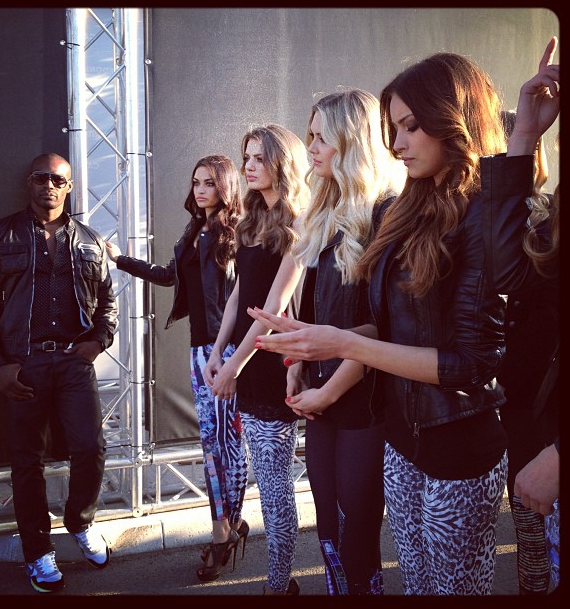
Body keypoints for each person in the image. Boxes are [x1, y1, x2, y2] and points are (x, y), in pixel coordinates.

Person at [248, 47, 548, 595]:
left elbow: (470, 365)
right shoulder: (401, 209)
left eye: (411, 126)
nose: (398, 143)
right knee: (413, 585)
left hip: (458, 449)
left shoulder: (481, 214)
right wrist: (318, 344)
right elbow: (386, 329)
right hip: (400, 443)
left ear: (453, 122)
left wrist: (343, 345)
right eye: (393, 128)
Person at [0, 153, 118, 593]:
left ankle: (80, 522)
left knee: (90, 447)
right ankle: (37, 551)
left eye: (58, 180)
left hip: (74, 362)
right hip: (24, 364)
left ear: (69, 186)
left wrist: (98, 341)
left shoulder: (90, 240)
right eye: (42, 178)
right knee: (26, 461)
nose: (49, 186)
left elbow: (108, 303)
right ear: (29, 182)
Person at [105, 154, 250, 582]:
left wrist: (232, 356)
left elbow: (245, 295)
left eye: (209, 183)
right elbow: (170, 276)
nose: (201, 190)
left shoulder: (237, 234)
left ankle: (225, 529)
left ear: (225, 186)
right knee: (213, 446)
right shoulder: (194, 231)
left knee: (227, 445)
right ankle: (228, 525)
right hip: (198, 351)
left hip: (227, 352)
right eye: (196, 182)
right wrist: (122, 260)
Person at [282, 88, 404, 595]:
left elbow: (383, 329)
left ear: (352, 141)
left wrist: (327, 391)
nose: (309, 147)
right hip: (321, 395)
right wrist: (298, 364)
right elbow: (316, 309)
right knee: (329, 530)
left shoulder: (387, 214)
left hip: (362, 404)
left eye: (321, 137)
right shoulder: (325, 213)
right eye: (309, 135)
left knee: (356, 533)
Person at [203, 124, 310, 595]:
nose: (248, 165)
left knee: (273, 486)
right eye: (246, 156)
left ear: (282, 164)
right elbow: (238, 297)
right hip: (246, 358)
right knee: (265, 481)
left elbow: (275, 307)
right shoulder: (250, 221)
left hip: (274, 366)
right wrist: (218, 350)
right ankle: (281, 583)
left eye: (259, 158)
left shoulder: (299, 222)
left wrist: (234, 365)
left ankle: (278, 585)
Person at [493, 37, 560, 593]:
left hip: (542, 396)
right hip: (514, 390)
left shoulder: (543, 218)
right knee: (528, 523)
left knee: (537, 522)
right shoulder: (516, 222)